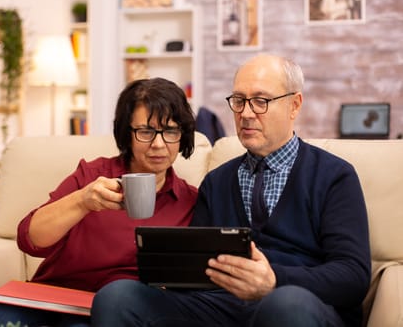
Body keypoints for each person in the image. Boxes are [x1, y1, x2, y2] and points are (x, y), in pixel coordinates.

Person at [91, 53, 371, 327]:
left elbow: (353, 276)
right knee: (117, 297)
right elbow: (194, 274)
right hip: (221, 307)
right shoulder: (217, 181)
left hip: (298, 303)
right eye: (238, 101)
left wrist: (274, 280)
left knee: (286, 304)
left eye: (260, 101)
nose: (246, 113)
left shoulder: (334, 175)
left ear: (294, 105)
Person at [0, 77, 198, 327]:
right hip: (51, 299)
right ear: (127, 133)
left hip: (110, 312)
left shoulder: (190, 201)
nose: (158, 144)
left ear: (182, 135)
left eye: (169, 131)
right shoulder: (92, 175)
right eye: (145, 131)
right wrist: (82, 201)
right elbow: (30, 239)